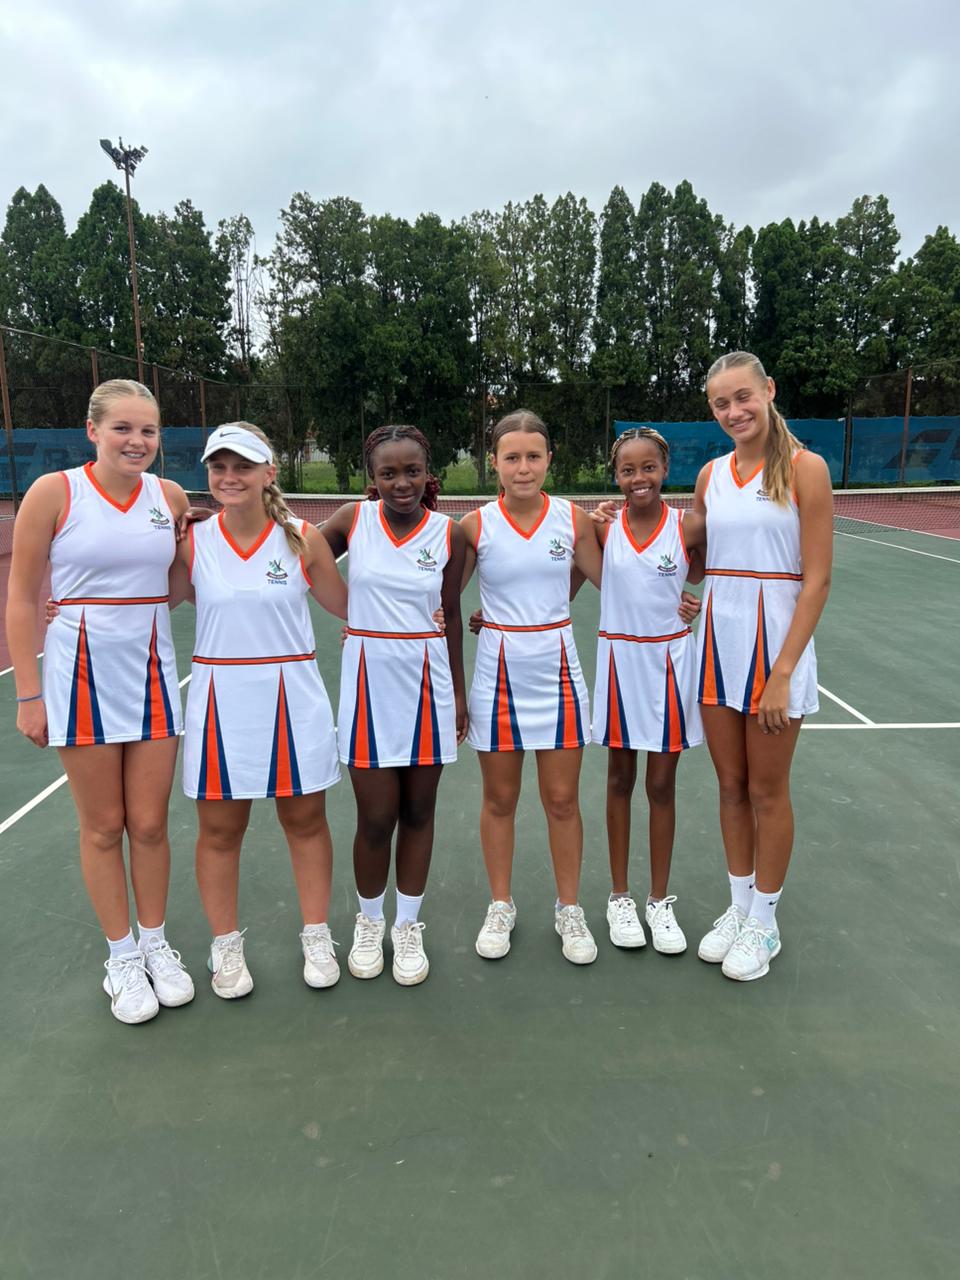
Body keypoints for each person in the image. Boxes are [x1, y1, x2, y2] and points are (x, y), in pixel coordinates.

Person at [6, 378, 195, 1025]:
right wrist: (28, 695)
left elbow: (175, 586)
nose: (136, 441)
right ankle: (121, 957)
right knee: (104, 825)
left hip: (151, 673)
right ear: (92, 431)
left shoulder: (169, 498)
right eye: (122, 428)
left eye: (148, 430)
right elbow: (22, 598)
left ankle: (155, 943)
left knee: (150, 823)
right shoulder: (54, 492)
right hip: (78, 674)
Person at [179, 423, 347, 999]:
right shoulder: (192, 541)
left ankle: (316, 935)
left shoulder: (302, 538)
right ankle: (225, 945)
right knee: (220, 831)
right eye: (219, 466)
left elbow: (351, 606)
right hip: (219, 704)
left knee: (306, 822)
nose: (230, 477)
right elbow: (147, 598)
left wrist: (430, 612)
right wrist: (64, 606)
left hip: (291, 699)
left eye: (243, 466)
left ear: (268, 473)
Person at [694, 352, 832, 981]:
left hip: (776, 649)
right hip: (717, 645)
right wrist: (621, 530)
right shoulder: (710, 475)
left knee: (766, 790)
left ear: (769, 390)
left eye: (743, 397)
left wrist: (782, 673)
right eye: (721, 403)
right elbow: (699, 559)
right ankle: (740, 906)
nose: (734, 412)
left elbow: (817, 580)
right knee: (730, 786)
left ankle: (765, 922)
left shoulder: (807, 469)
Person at [318, 425, 467, 986]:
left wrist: (457, 693)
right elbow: (291, 552)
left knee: (419, 812)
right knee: (376, 817)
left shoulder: (449, 534)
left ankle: (407, 926)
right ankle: (369, 920)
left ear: (428, 475)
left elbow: (452, 616)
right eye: (388, 473)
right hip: (368, 686)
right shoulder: (351, 521)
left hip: (428, 684)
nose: (401, 483)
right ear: (372, 477)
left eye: (411, 472)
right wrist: (207, 523)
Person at [461, 410, 604, 965]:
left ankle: (570, 908)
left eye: (534, 456)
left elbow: (613, 581)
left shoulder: (573, 520)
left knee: (562, 801)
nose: (523, 468)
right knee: (499, 799)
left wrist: (674, 603)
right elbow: (437, 595)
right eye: (512, 457)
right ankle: (501, 904)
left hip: (558, 673)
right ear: (494, 462)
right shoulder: (474, 526)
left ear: (549, 459)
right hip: (497, 675)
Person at [588, 428, 706, 954]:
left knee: (661, 785)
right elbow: (562, 580)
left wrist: (696, 602)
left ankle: (659, 900)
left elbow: (714, 575)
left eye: (648, 468)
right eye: (628, 470)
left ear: (665, 470)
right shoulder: (602, 527)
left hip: (669, 664)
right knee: (619, 779)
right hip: (620, 663)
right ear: (616, 476)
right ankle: (620, 897)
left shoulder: (689, 525)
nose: (639, 478)